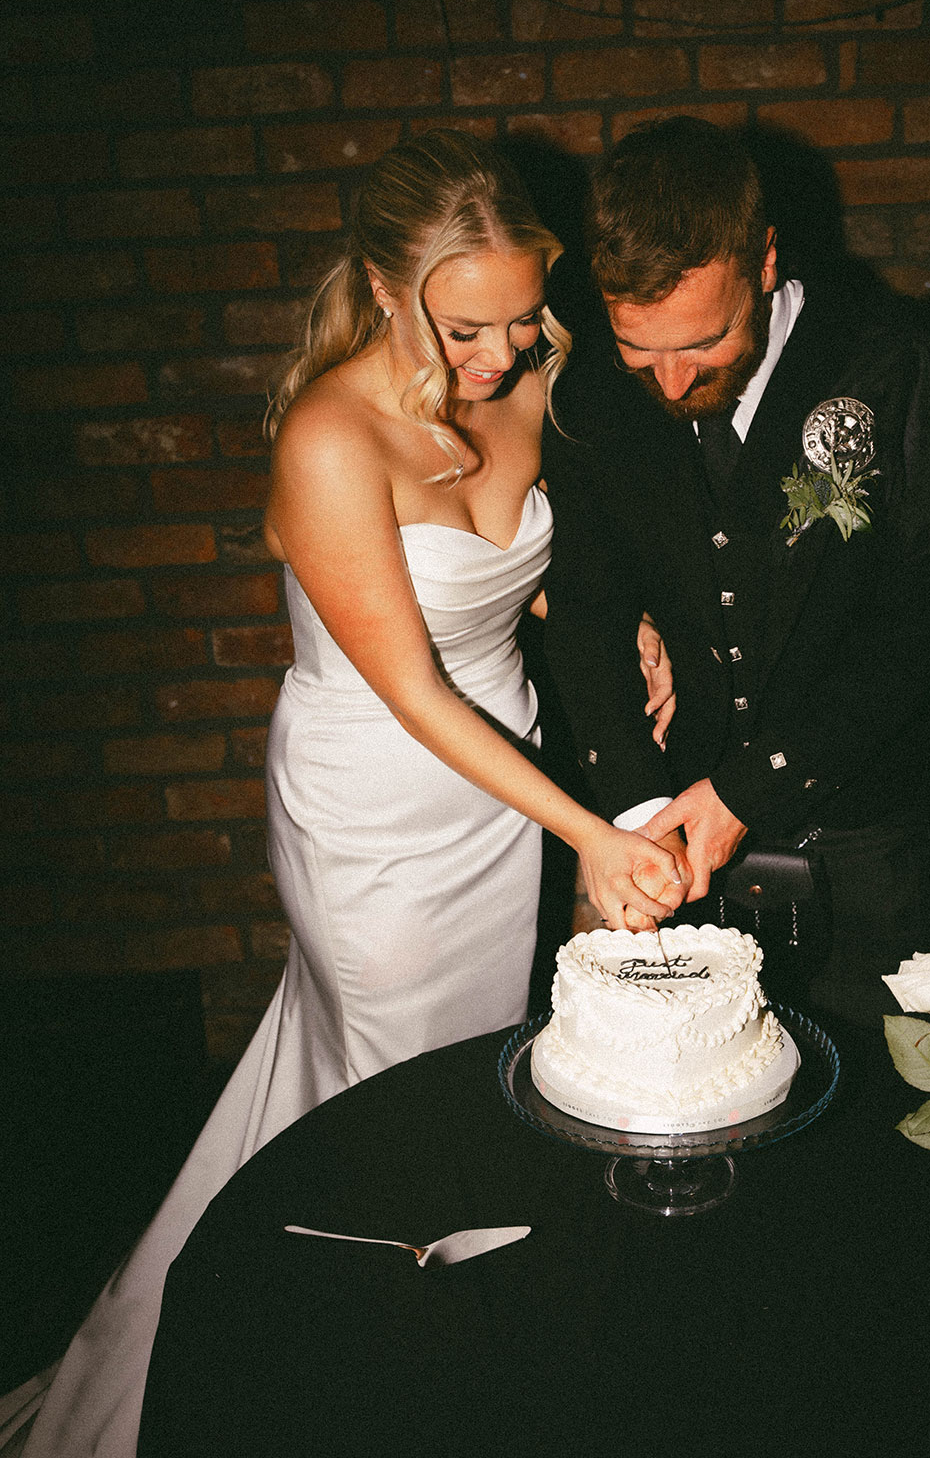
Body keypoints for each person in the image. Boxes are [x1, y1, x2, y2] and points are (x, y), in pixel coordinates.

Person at [2, 131, 682, 1458]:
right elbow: (414, 690)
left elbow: (512, 567)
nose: (502, 354)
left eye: (524, 314)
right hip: (377, 811)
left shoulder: (532, 374)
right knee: (392, 1105)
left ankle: (351, 1339)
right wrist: (591, 830)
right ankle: (344, 1381)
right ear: (385, 287)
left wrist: (618, 619)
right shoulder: (329, 434)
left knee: (459, 1085)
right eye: (467, 323)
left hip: (503, 803)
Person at [541, 115, 930, 1027]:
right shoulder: (585, 390)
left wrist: (754, 787)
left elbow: (929, 617)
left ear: (766, 261)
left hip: (877, 844)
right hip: (686, 860)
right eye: (640, 351)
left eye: (701, 345)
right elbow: (586, 606)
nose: (667, 382)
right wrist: (638, 804)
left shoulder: (897, 364)